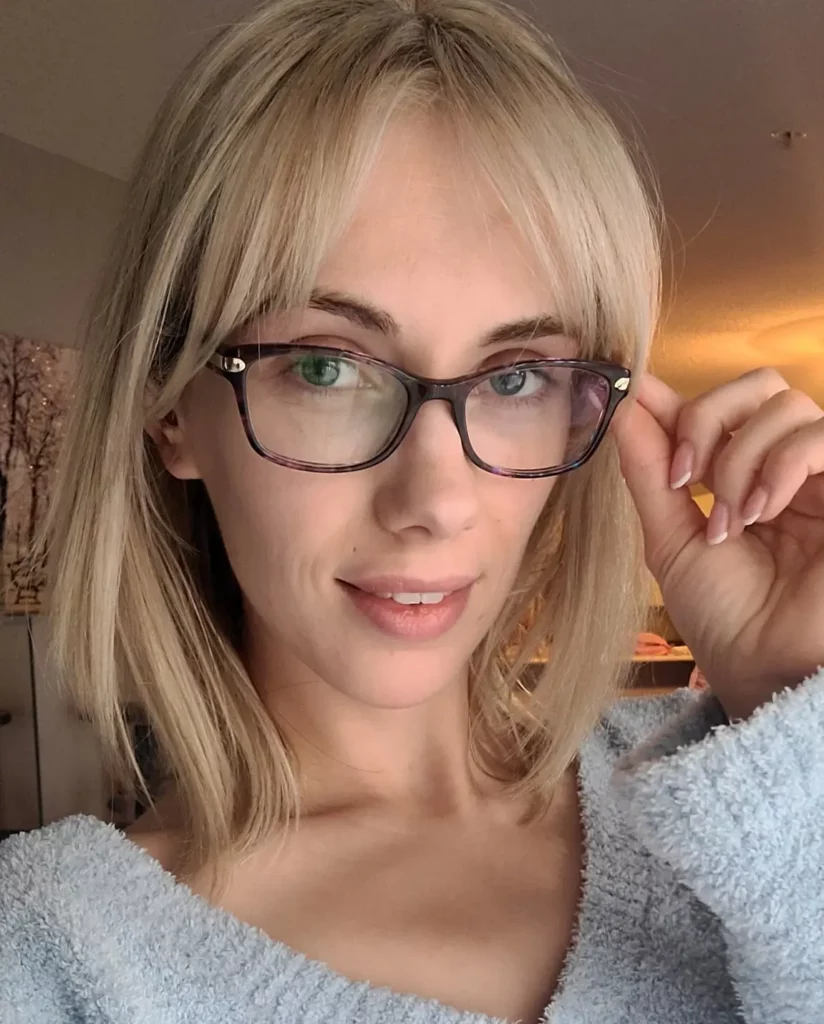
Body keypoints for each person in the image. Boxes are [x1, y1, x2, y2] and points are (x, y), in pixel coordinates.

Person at [1, 1, 822, 1021]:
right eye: (325, 366)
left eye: (516, 376)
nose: (434, 502)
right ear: (172, 408)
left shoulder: (739, 808)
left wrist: (792, 695)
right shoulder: (48, 957)